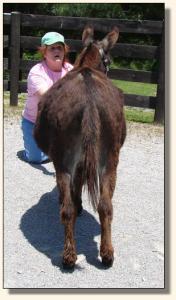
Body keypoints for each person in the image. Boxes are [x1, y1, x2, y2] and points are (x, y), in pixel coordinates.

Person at [20, 32, 73, 164]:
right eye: (52, 48)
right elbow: (49, 97)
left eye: (59, 48)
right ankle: (50, 150)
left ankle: (54, 148)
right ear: (44, 52)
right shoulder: (36, 72)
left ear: (64, 51)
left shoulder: (70, 70)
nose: (56, 51)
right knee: (35, 158)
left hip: (59, 124)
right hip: (35, 122)